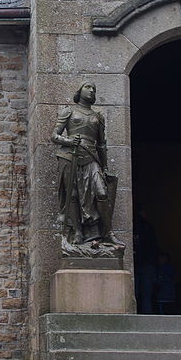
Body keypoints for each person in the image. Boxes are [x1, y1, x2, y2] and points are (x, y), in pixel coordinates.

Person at [51, 82, 115, 249]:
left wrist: (105, 167)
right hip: (69, 156)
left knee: (101, 192)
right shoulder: (69, 111)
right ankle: (78, 231)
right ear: (79, 91)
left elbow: (101, 144)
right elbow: (54, 135)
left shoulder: (98, 117)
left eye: (94, 88)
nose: (92, 90)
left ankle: (107, 232)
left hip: (91, 156)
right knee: (71, 194)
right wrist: (69, 140)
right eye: (88, 87)